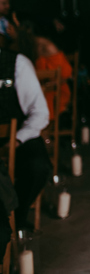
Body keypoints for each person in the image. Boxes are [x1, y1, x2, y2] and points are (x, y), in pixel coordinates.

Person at [0, 47, 52, 232]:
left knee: (39, 168)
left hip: (17, 135)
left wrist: (17, 139)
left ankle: (16, 219)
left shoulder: (17, 64)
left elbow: (40, 112)